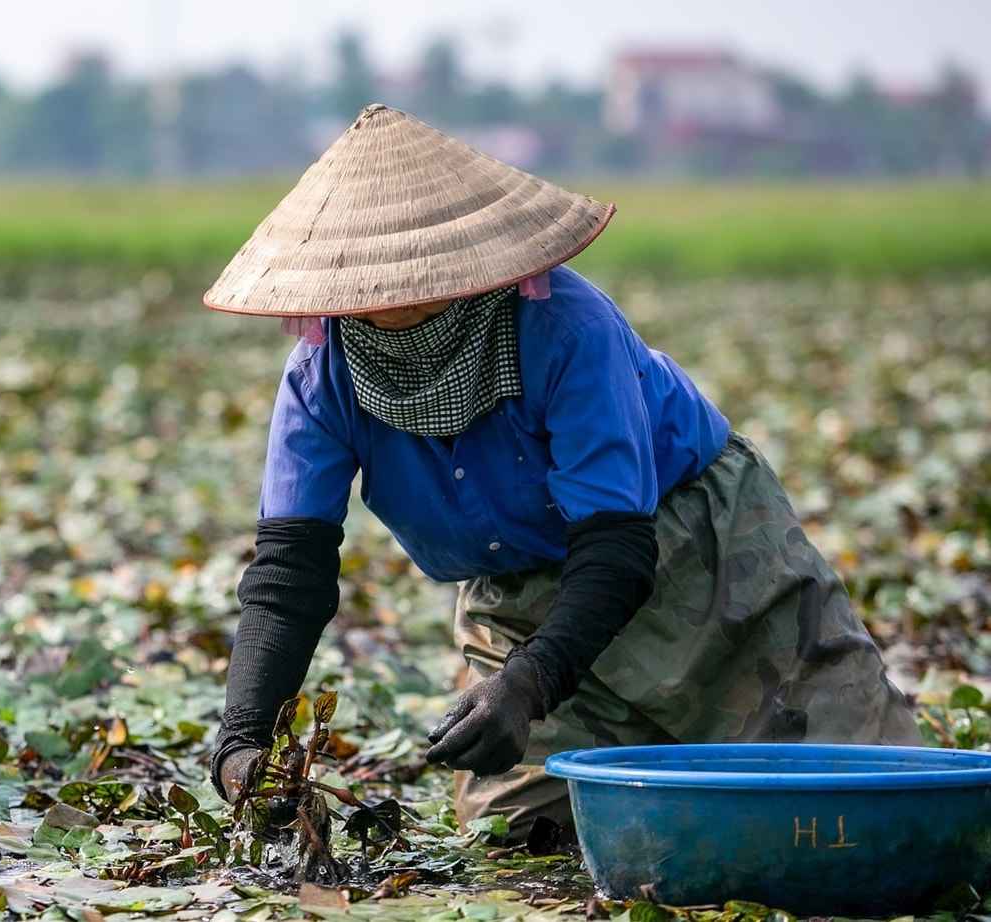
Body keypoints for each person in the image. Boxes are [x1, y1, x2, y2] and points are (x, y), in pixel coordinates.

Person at [202, 106, 918, 837]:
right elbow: (291, 569)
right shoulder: (321, 376)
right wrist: (244, 739)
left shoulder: (565, 326)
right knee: (516, 834)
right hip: (520, 599)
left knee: (865, 801)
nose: (394, 293)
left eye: (415, 273)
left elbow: (615, 543)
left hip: (702, 556)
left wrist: (530, 683)